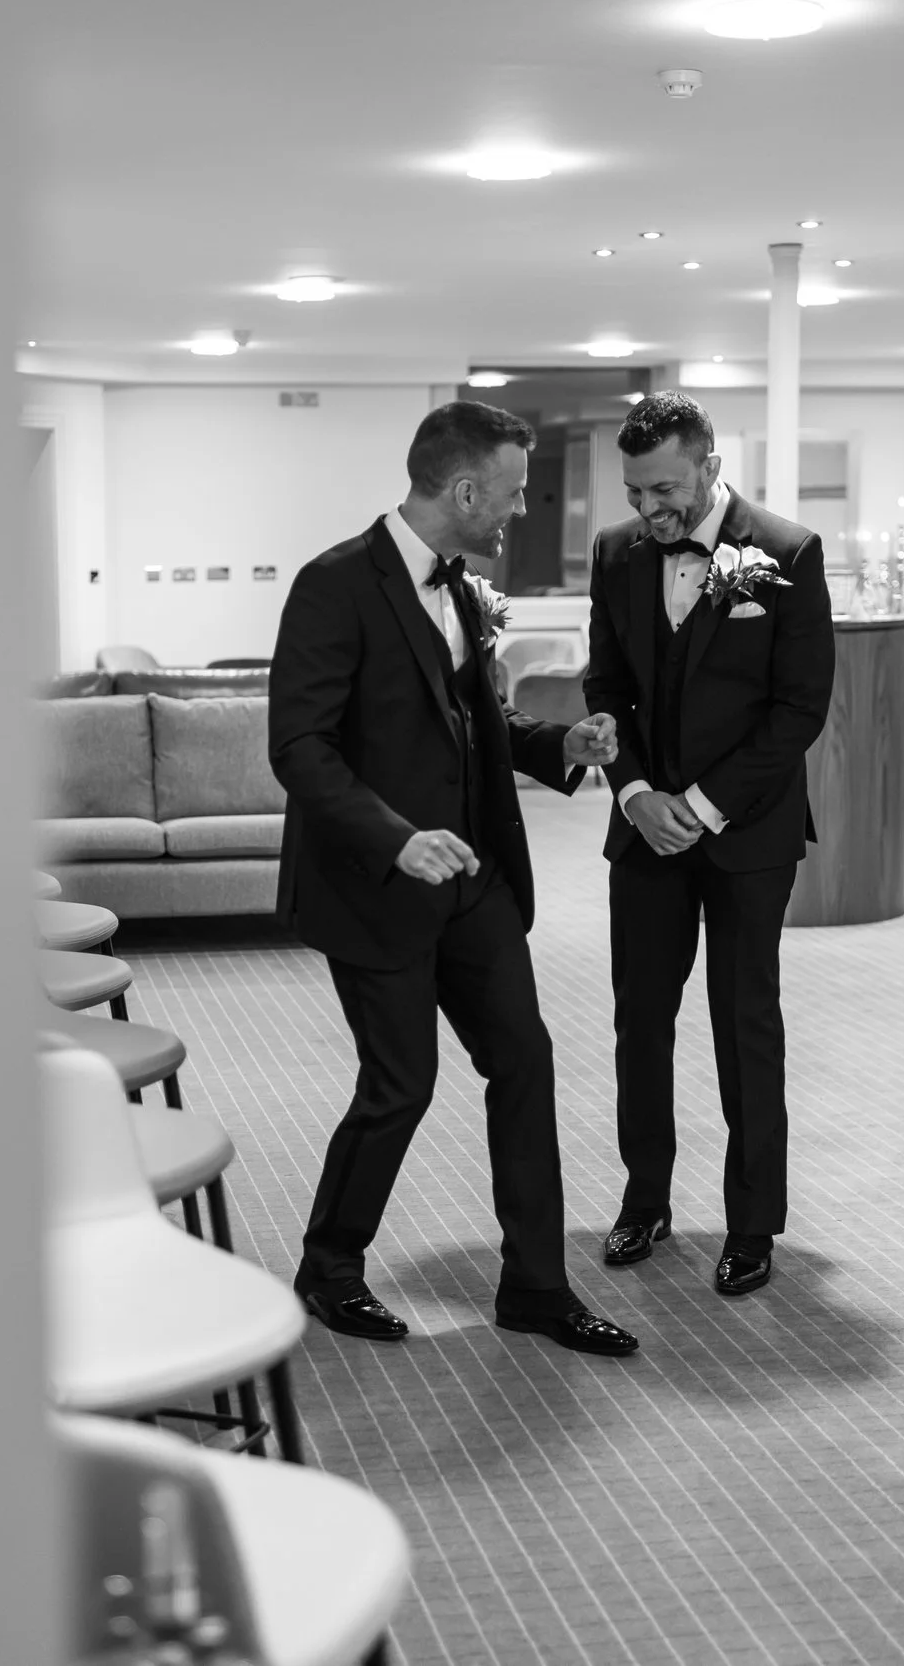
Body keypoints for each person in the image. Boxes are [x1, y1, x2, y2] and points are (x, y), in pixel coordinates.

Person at [270, 400, 637, 1358]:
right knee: (401, 1084)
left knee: (524, 1060)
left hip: (475, 884)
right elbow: (300, 750)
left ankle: (537, 1285)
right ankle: (328, 1266)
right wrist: (396, 838)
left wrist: (568, 745)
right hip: (376, 885)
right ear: (465, 488)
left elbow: (480, 727)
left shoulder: (467, 592)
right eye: (511, 493)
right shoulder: (332, 585)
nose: (519, 510)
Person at [582, 391, 835, 1298]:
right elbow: (605, 681)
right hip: (646, 831)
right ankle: (644, 1199)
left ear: (710, 464)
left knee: (744, 1023)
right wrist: (640, 793)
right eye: (635, 491)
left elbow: (799, 707)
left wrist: (704, 801)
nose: (650, 510)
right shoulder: (614, 552)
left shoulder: (790, 552)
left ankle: (752, 1220)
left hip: (747, 835)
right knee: (639, 1023)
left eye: (666, 489)